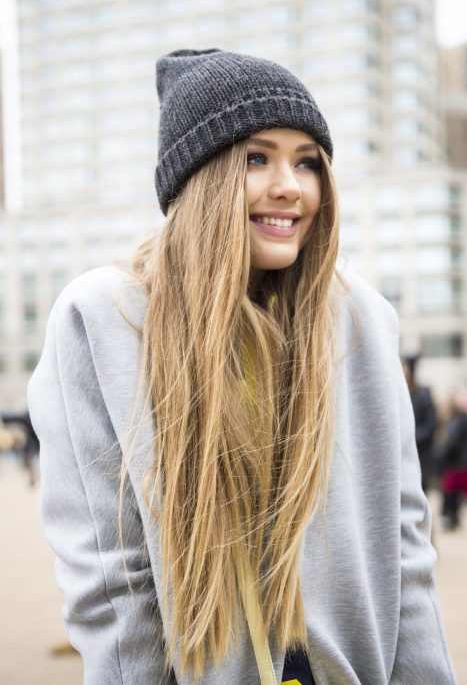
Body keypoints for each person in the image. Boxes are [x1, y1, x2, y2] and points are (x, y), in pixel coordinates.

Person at [27, 49, 456, 684]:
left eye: (307, 162)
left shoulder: (359, 318)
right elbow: (113, 585)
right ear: (198, 178)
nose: (290, 185)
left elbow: (405, 555)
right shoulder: (105, 320)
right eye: (257, 157)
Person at [402, 355, 437, 493]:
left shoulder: (422, 395)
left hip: (421, 452)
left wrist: (410, 436)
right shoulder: (400, 393)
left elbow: (431, 425)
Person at [436, 392, 467, 530]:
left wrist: (441, 456)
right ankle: (453, 518)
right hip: (461, 463)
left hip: (456, 464)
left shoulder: (457, 421)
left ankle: (451, 518)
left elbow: (451, 443)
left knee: (451, 493)